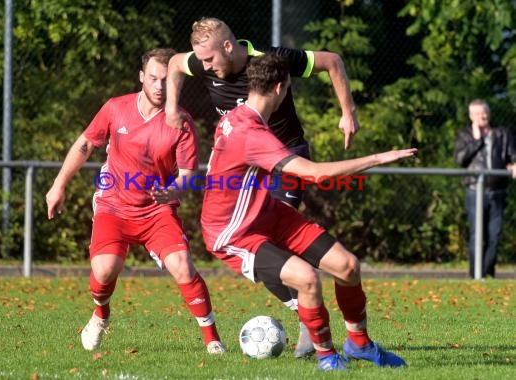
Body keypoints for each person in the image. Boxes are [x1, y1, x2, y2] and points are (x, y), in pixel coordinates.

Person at [201, 53, 413, 371]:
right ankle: (328, 358)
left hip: (264, 212)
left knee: (347, 266)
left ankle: (359, 343)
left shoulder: (237, 116)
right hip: (232, 231)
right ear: (279, 88)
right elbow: (316, 174)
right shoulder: (252, 133)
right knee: (307, 279)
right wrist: (377, 159)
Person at [165, 17, 359, 358]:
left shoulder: (272, 61)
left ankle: (312, 311)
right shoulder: (203, 60)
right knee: (257, 241)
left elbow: (332, 61)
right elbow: (174, 64)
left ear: (229, 46)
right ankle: (302, 309)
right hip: (246, 168)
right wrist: (170, 108)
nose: (205, 67)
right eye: (202, 61)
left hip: (286, 160)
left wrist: (347, 111)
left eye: (209, 60)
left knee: (277, 230)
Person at [45, 48, 225, 354]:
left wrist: (174, 191)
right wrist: (58, 185)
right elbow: (86, 143)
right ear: (142, 77)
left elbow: (187, 173)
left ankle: (213, 340)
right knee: (103, 271)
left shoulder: (181, 122)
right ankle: (101, 315)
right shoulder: (116, 108)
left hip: (157, 210)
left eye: (166, 80)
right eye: (153, 78)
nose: (158, 86)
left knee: (182, 266)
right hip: (114, 205)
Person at [453, 99, 516, 278]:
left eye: (485, 112)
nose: (483, 116)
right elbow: (460, 160)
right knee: (476, 235)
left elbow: (513, 155)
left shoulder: (502, 134)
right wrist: (476, 140)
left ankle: (487, 274)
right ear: (471, 116)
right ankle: (476, 275)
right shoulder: (465, 135)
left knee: (494, 236)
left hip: (497, 191)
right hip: (474, 191)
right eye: (479, 113)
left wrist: (514, 164)